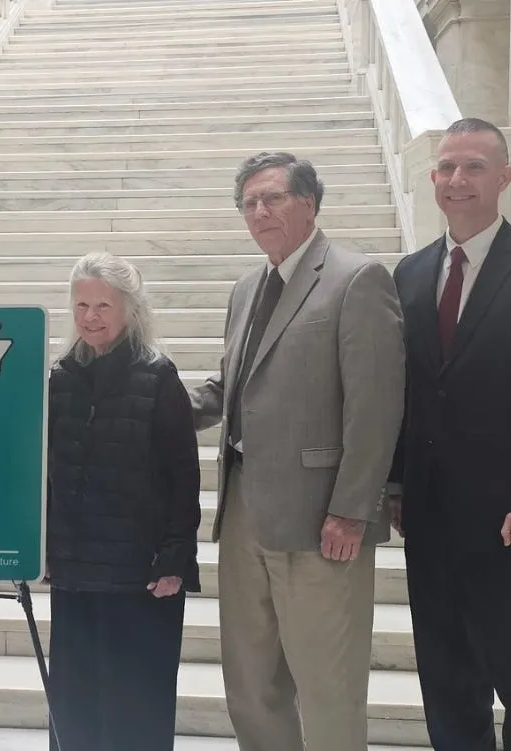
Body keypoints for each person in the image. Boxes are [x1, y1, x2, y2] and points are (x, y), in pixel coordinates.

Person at [190, 151, 406, 751]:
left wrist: (352, 509)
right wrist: (149, 411)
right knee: (250, 681)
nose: (259, 211)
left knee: (327, 685)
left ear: (309, 204)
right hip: (243, 515)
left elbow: (376, 407)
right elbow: (233, 386)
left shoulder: (357, 278)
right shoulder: (245, 288)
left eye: (273, 198)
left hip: (320, 520)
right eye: (249, 202)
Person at [387, 118, 511, 750]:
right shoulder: (408, 275)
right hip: (430, 521)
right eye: (446, 167)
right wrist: (396, 485)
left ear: (505, 177)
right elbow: (404, 395)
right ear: (432, 177)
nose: (457, 180)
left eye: (474, 167)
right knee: (447, 683)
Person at [45, 252, 201, 751]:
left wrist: (176, 554)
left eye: (103, 306)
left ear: (130, 310)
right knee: (75, 703)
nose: (90, 317)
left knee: (137, 706)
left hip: (142, 574)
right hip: (75, 570)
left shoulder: (158, 377)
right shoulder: (61, 377)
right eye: (82, 304)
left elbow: (184, 475)